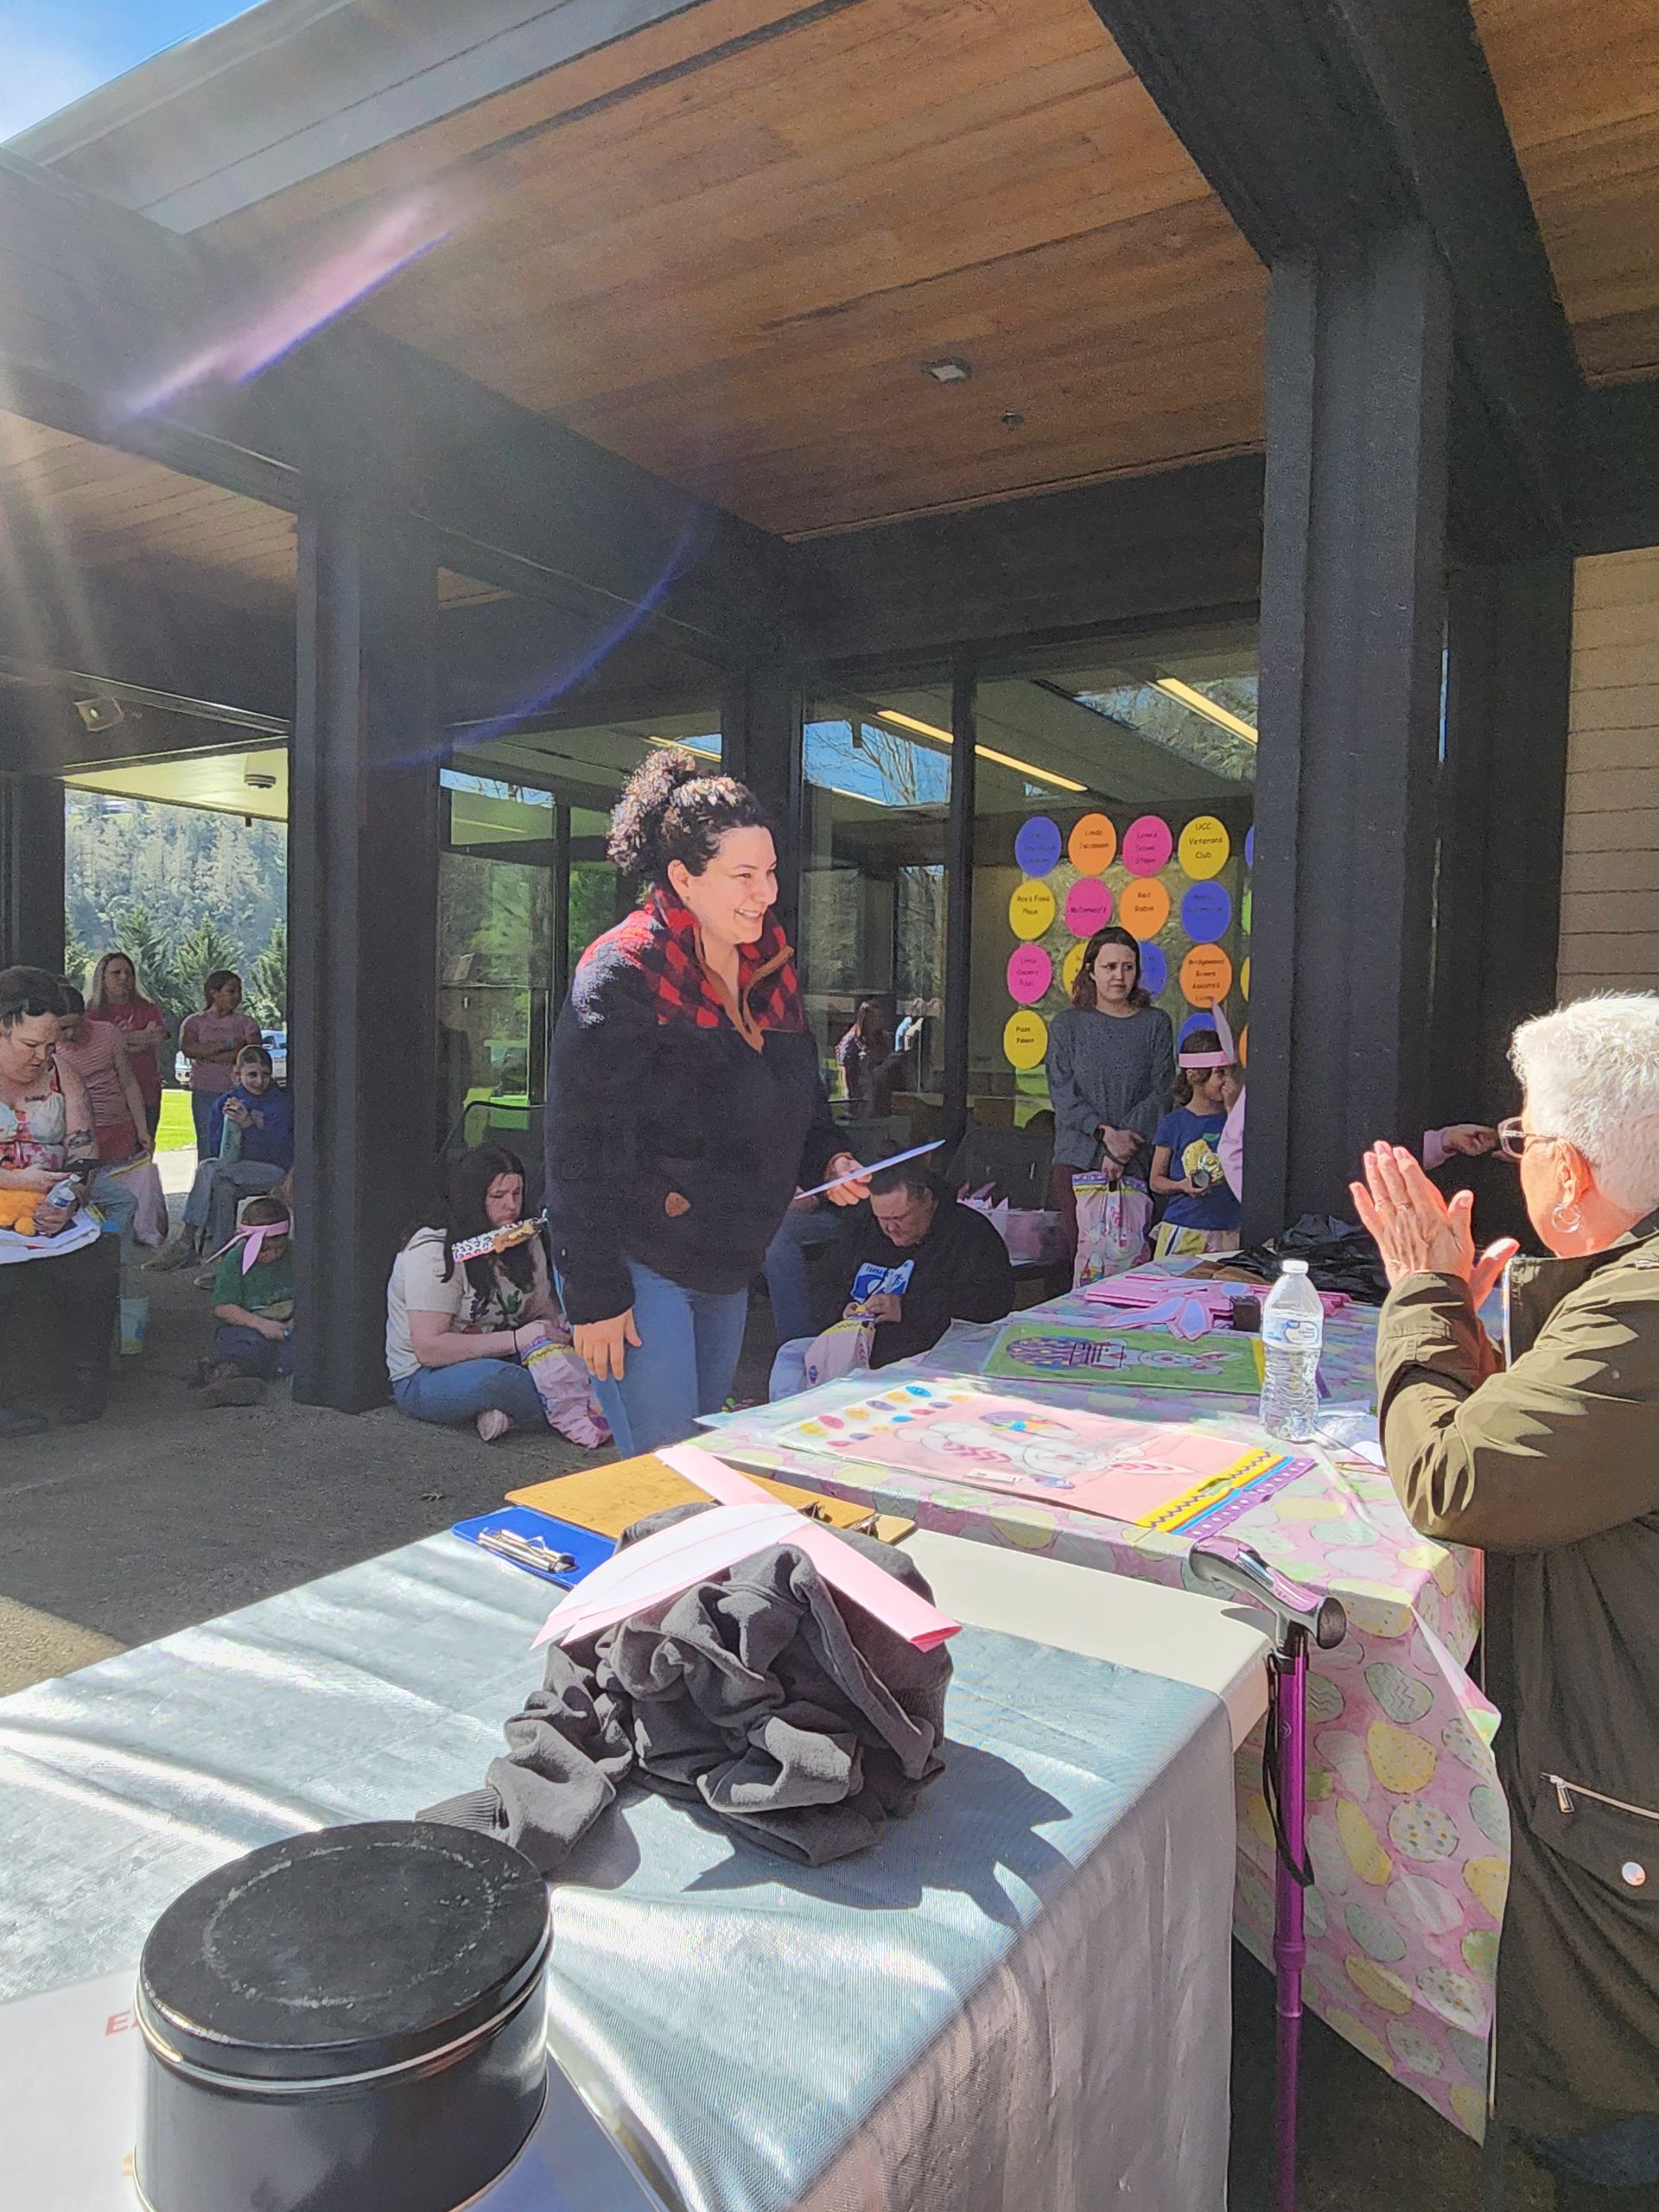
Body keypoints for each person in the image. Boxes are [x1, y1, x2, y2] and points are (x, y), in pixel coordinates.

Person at [1351, 994, 1659, 2205]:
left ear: (1569, 1172)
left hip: (1622, 1830)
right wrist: (1483, 1350)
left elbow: (1454, 1476)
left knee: (1604, 2138)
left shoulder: (1642, 1311)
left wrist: (1423, 1299)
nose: (1516, 1154)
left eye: (1524, 1137)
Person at [544, 747, 867, 1455]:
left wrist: (829, 1157)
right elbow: (578, 1146)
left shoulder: (769, 965)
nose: (765, 893)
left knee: (698, 1457)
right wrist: (595, 1295)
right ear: (683, 878)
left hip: (725, 1261)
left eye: (771, 872)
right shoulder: (622, 972)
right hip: (637, 1258)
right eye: (744, 875)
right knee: (666, 1472)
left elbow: (800, 1097)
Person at [390, 1145, 589, 1443]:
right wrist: (517, 1339)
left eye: (517, 1193)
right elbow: (429, 1348)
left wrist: (557, 1325)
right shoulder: (434, 1250)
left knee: (584, 1357)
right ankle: (571, 1411)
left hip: (506, 1352)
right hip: (427, 1375)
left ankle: (516, 1413)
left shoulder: (523, 1235)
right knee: (503, 1381)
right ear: (472, 1199)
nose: (511, 1205)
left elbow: (538, 1307)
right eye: (498, 1196)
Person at [769, 1160, 1015, 1396]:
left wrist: (906, 1308)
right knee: (790, 1356)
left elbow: (990, 1304)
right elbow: (826, 1284)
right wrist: (842, 1309)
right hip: (854, 1346)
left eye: (900, 1218)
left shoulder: (969, 1234)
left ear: (928, 1201)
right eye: (883, 1219)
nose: (890, 1228)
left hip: (924, 1352)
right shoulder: (864, 1226)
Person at [0, 966, 117, 1433]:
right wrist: (18, 1181)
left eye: (51, 1045)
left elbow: (84, 1151)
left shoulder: (63, 1073)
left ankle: (89, 1383)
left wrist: (69, 1197)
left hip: (55, 1208)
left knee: (93, 1268)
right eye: (31, 1045)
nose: (42, 1057)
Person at [1045, 925, 1175, 1258]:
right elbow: (1063, 1093)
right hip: (1079, 1158)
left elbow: (1162, 1091)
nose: (1119, 976)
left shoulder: (1155, 1023)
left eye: (1128, 967)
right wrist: (1103, 1133)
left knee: (1134, 1262)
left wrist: (1122, 1147)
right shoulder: (1067, 1026)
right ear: (1091, 970)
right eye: (1110, 966)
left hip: (1138, 1160)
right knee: (1085, 1262)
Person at [152, 1044, 292, 1274]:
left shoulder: (279, 1103)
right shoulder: (224, 1102)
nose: (260, 1081)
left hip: (272, 1171)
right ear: (237, 1075)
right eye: (252, 1075)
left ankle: (186, 1239)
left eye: (266, 1075)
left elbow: (279, 1150)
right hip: (234, 1171)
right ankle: (223, 1263)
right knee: (222, 1187)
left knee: (208, 1169)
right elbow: (217, 1150)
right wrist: (230, 1128)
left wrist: (249, 1126)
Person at [195, 1196, 295, 1408]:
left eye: (279, 1249)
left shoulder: (295, 1254)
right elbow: (223, 1307)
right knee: (243, 1347)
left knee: (298, 1349)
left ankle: (252, 1376)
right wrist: (262, 1325)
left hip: (287, 1325)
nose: (273, 1255)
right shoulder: (235, 1261)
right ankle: (223, 1380)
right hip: (247, 1325)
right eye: (265, 1250)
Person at [1150, 1028, 1241, 1260]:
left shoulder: (1237, 1120)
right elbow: (1156, 1180)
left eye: (1231, 1072)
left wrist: (1233, 1110)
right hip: (1185, 1227)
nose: (1228, 1081)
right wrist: (1182, 1185)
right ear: (1193, 1076)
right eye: (1220, 1073)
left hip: (1229, 1229)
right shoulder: (1173, 1123)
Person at [84, 950, 169, 1142]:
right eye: (116, 973)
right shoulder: (92, 1012)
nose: (123, 978)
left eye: (128, 973)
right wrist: (141, 1037)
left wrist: (118, 1042)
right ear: (102, 977)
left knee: (144, 1147)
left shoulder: (146, 1007)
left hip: (147, 1090)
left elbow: (158, 1036)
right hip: (108, 1096)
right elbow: (98, 1047)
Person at [178, 969, 260, 1156]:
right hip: (205, 1092)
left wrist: (207, 1054)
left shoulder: (247, 1023)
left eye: (239, 991)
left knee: (240, 1145)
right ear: (214, 993)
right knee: (208, 1144)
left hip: (239, 1092)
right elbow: (189, 1049)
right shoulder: (194, 1022)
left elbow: (251, 1054)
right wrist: (228, 1044)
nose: (237, 996)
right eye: (231, 991)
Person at [836, 998, 898, 1120]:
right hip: (860, 1091)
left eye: (879, 1017)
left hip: (880, 1092)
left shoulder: (885, 1039)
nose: (877, 1021)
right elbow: (845, 1070)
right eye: (873, 1017)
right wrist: (848, 1098)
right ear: (864, 1019)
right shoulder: (851, 1040)